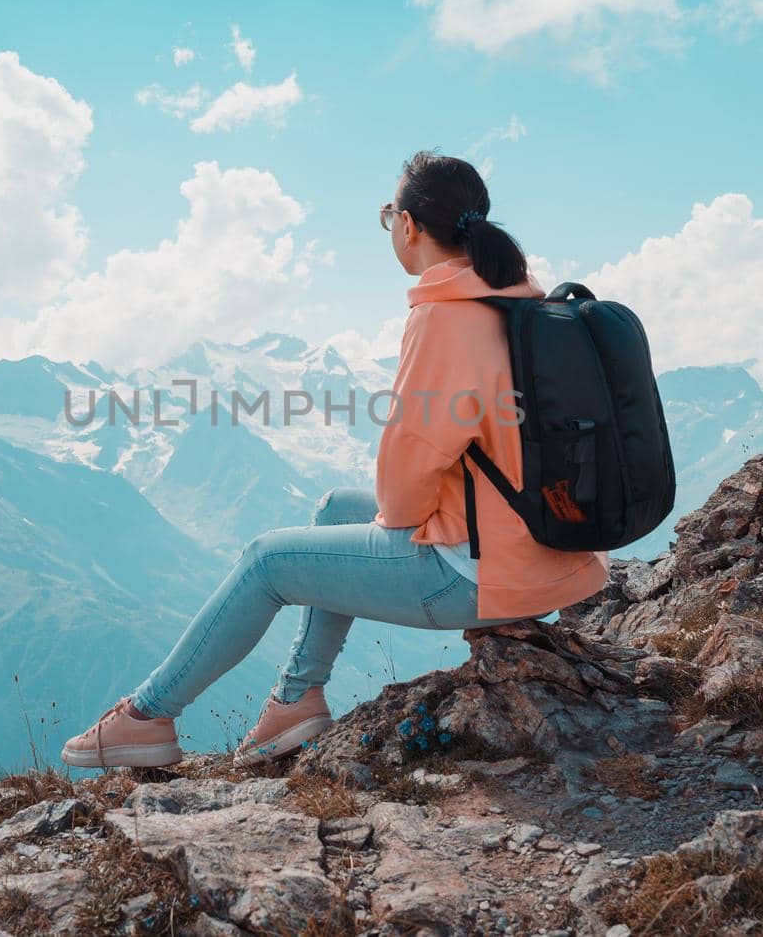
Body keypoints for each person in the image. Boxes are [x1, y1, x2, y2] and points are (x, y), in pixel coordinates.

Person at [61, 151, 609, 769]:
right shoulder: (518, 305)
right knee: (334, 510)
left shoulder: (445, 318)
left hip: (481, 577)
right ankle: (296, 700)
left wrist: (403, 534)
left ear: (407, 226)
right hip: (549, 559)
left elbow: (403, 493)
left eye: (387, 215)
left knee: (267, 561)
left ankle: (147, 717)